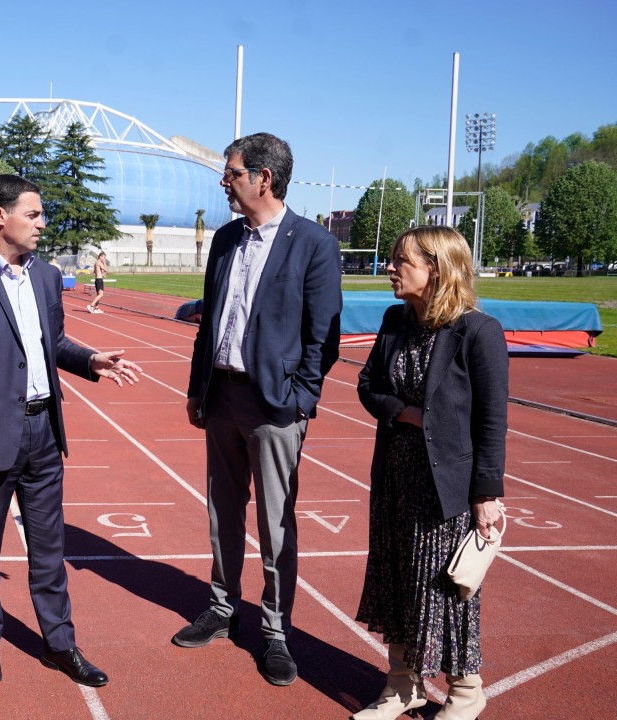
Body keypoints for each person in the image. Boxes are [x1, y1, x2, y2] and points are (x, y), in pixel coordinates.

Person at [0, 174, 144, 689]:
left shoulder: (47, 277)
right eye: (34, 213)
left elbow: (54, 343)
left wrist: (90, 360)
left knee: (49, 548)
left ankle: (59, 644)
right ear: (0, 216)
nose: (43, 223)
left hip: (44, 430)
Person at [173, 132, 342, 687]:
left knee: (275, 522)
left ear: (263, 178)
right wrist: (197, 388)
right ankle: (223, 608)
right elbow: (211, 324)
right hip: (221, 394)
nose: (224, 181)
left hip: (275, 405)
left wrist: (301, 399)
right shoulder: (226, 239)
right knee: (223, 512)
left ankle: (275, 630)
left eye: (232, 172)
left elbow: (323, 337)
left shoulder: (313, 243)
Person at [352, 226, 506, 720]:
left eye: (401, 261)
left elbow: (492, 420)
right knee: (397, 579)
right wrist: (404, 412)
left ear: (436, 268)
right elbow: (368, 385)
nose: (390, 268)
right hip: (395, 477)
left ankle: (465, 692)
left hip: (446, 486)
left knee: (446, 588)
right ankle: (402, 687)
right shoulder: (395, 320)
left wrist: (486, 495)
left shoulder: (478, 331)